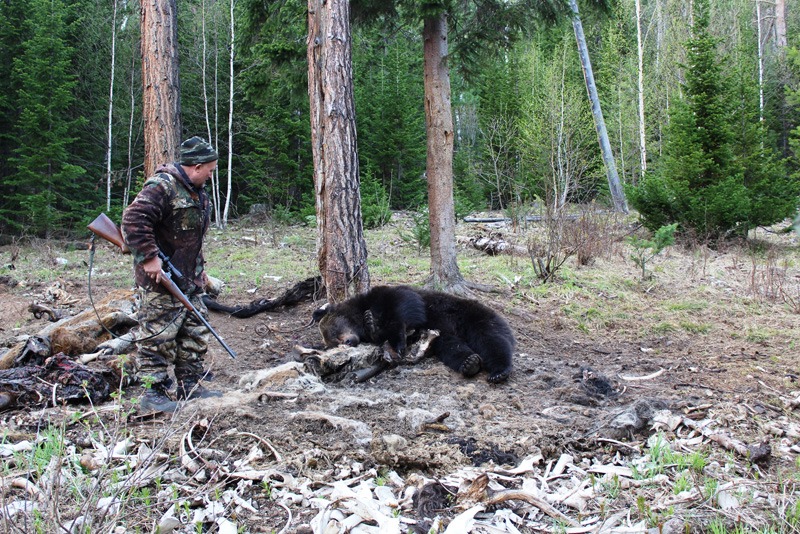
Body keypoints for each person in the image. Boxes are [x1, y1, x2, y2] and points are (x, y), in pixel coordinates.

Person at [121, 136, 222, 412]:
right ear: (197, 166)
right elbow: (133, 220)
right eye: (210, 170)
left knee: (194, 332)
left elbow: (192, 239)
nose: (212, 175)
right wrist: (150, 258)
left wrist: (199, 273)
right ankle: (152, 394)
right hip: (159, 282)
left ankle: (191, 385)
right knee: (158, 337)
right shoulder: (162, 187)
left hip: (188, 279)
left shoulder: (196, 191)